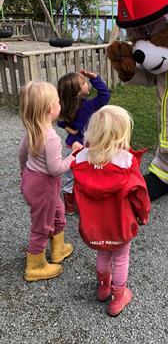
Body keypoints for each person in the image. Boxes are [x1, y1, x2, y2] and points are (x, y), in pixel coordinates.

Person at [71, 105, 150, 316]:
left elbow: (73, 188)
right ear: (123, 135)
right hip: (120, 224)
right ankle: (117, 297)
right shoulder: (126, 162)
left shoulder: (81, 160)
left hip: (95, 226)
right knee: (121, 257)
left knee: (103, 252)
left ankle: (103, 288)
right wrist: (142, 216)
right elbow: (140, 194)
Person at [19, 81, 82, 282]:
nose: (60, 104)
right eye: (57, 101)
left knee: (58, 212)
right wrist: (73, 156)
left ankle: (57, 249)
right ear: (50, 109)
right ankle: (35, 265)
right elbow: (56, 170)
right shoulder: (51, 138)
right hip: (44, 185)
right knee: (41, 226)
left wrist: (24, 174)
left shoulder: (32, 130)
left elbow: (22, 154)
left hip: (32, 179)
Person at [57, 69, 111, 214]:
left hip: (73, 147)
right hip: (89, 147)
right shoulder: (90, 106)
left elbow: (59, 121)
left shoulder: (65, 106)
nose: (87, 84)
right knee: (91, 173)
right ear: (77, 92)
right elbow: (105, 95)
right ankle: (88, 201)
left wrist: (68, 128)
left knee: (71, 176)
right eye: (84, 83)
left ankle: (70, 205)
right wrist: (96, 79)